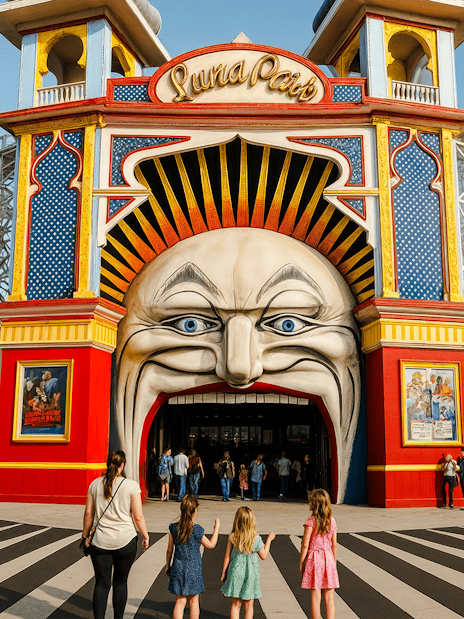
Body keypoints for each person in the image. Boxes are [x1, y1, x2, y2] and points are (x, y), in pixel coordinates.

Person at [82, 451, 149, 619]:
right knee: (120, 583)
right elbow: (138, 516)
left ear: (107, 464)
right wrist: (145, 535)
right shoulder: (131, 485)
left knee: (102, 584)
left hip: (100, 542)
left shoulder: (95, 485)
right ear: (122, 464)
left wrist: (85, 537)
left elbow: (88, 515)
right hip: (126, 541)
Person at [166, 495, 220, 619]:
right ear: (195, 511)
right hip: (194, 568)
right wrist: (216, 528)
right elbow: (211, 545)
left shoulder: (174, 528)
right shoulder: (197, 530)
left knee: (180, 602)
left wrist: (168, 565)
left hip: (178, 566)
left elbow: (169, 550)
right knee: (194, 602)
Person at [220, 506, 275, 619]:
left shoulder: (233, 537)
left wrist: (224, 573)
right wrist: (269, 540)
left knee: (235, 605)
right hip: (251, 574)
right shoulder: (256, 539)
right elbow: (263, 555)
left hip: (235, 572)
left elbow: (227, 556)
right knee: (249, 606)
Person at [300, 489, 339, 619]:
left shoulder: (311, 521)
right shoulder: (332, 521)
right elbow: (334, 544)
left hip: (314, 559)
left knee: (315, 597)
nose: (309, 504)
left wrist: (302, 562)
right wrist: (334, 562)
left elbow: (305, 544)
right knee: (329, 597)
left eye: (310, 501)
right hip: (328, 557)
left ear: (315, 505)